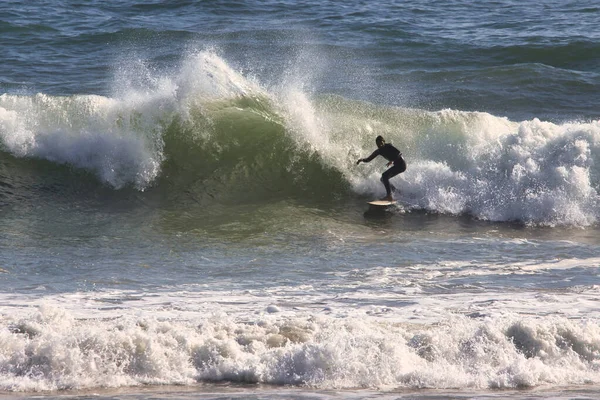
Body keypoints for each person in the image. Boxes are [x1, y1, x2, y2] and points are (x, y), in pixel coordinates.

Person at [356, 135, 406, 201]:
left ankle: (389, 196)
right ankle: (396, 191)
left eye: (380, 143)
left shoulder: (389, 146)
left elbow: (399, 153)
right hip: (397, 166)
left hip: (401, 164)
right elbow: (368, 159)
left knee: (384, 176)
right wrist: (361, 160)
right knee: (383, 179)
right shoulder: (379, 151)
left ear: (384, 142)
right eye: (377, 144)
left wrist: (392, 161)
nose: (379, 145)